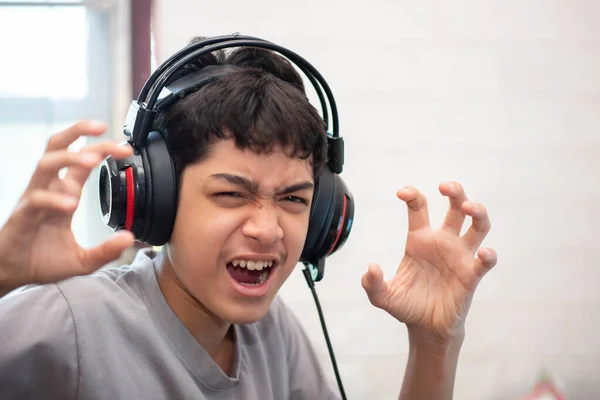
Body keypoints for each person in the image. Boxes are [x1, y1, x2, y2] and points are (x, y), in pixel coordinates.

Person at [0, 36, 497, 400]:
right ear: (158, 200)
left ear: (324, 217)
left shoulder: (272, 337)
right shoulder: (71, 322)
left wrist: (434, 345)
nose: (267, 228)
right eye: (231, 195)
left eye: (294, 200)